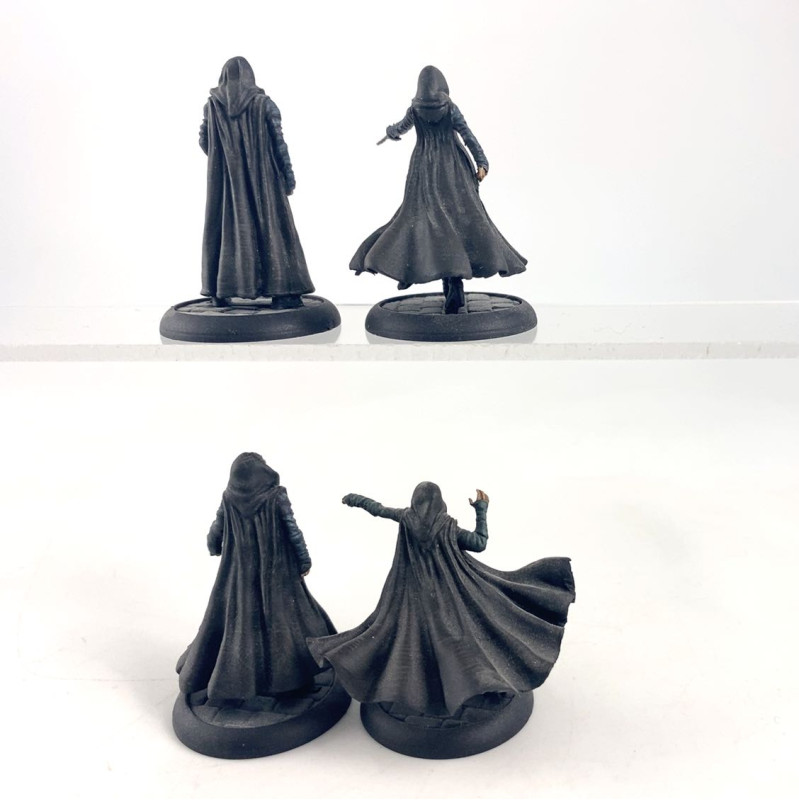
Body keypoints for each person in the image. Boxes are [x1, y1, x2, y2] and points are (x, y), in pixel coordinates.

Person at [308, 482, 575, 717]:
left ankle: (435, 691)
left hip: (412, 600)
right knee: (469, 642)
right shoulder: (448, 527)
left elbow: (379, 509)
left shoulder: (406, 518)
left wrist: (356, 499)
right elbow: (479, 542)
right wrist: (481, 510)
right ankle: (471, 686)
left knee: (413, 645)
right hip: (450, 598)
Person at [350, 66, 528, 314]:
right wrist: (482, 162)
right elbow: (467, 135)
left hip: (424, 170)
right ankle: (451, 282)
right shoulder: (449, 108)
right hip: (453, 171)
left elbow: (401, 127)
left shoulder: (415, 110)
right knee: (458, 224)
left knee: (423, 223)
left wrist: (391, 132)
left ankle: (423, 273)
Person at [177, 453, 335, 704]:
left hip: (239, 576)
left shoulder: (230, 496)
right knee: (284, 623)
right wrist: (304, 560)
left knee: (244, 624)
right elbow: (292, 529)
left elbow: (218, 526)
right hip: (277, 574)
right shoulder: (275, 496)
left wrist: (213, 545)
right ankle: (289, 681)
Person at [199, 57, 313, 308]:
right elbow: (279, 144)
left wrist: (229, 162)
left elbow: (204, 141)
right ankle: (283, 293)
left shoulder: (212, 107)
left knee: (227, 230)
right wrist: (288, 176)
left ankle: (220, 292)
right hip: (264, 181)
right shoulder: (264, 105)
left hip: (228, 186)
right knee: (272, 228)